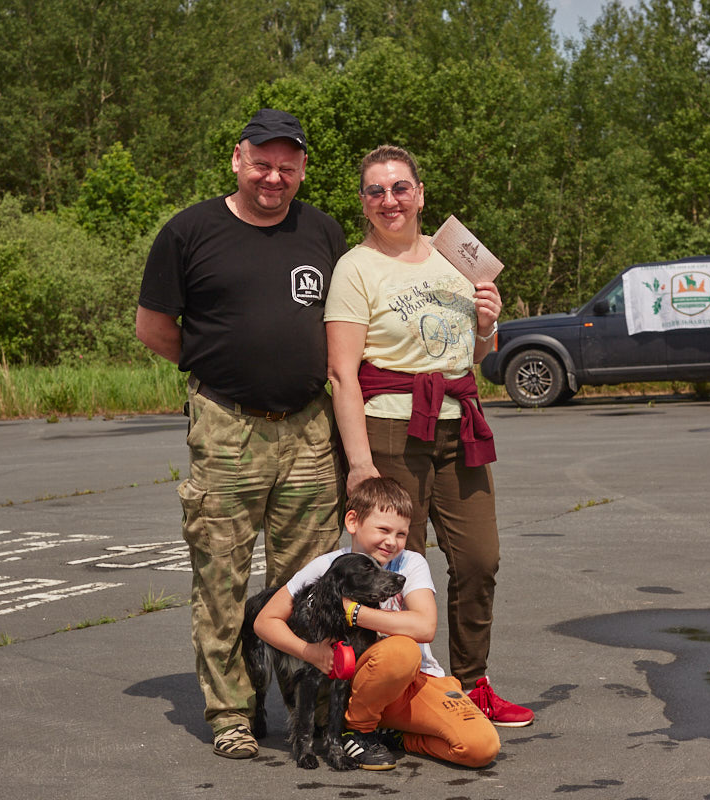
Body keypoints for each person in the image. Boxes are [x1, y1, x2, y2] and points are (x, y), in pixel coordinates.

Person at [135, 108, 348, 759]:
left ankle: (301, 713)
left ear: (303, 169)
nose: (273, 177)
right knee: (221, 577)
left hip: (312, 430)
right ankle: (231, 711)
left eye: (288, 166)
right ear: (237, 159)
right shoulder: (188, 232)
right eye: (262, 162)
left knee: (309, 585)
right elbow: (154, 328)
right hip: (226, 427)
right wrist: (219, 369)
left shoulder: (323, 232)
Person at [324, 145, 534, 727]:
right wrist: (360, 463)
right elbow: (342, 373)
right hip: (391, 428)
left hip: (457, 424)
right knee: (391, 567)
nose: (389, 200)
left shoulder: (456, 261)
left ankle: (470, 685)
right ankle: (389, 690)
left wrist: (488, 325)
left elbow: (473, 353)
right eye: (375, 191)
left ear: (420, 193)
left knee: (478, 559)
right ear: (364, 203)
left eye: (399, 188)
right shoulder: (355, 267)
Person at [255, 476, 501, 770]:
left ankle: (395, 737)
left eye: (401, 534)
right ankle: (356, 731)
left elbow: (425, 628)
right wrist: (308, 652)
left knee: (480, 747)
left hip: (411, 683)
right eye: (383, 529)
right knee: (400, 650)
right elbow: (265, 621)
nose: (392, 541)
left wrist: (352, 611)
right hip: (355, 688)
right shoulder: (329, 567)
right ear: (353, 522)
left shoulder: (410, 563)